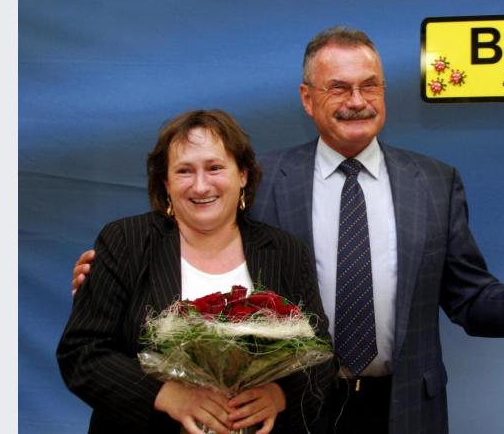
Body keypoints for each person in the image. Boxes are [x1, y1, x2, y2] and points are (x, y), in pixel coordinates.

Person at [73, 27, 504, 433]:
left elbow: (468, 296)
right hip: (287, 406)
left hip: (404, 407)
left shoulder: (434, 182)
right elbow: (196, 245)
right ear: (307, 98)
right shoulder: (255, 181)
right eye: (339, 87)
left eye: (370, 85)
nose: (357, 100)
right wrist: (111, 279)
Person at [58, 109, 334, 434]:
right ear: (166, 182)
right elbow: (82, 353)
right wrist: (166, 395)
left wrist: (279, 394)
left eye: (215, 168)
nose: (201, 186)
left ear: (243, 174)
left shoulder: (286, 252)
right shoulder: (125, 243)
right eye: (184, 171)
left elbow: (322, 356)